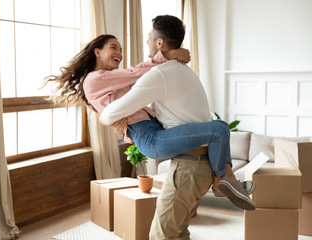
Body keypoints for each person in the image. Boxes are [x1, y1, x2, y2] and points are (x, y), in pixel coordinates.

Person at [43, 30, 254, 210]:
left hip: (153, 131)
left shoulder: (111, 82)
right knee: (218, 131)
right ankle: (222, 183)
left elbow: (138, 101)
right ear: (97, 52)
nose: (119, 53)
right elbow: (136, 73)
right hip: (150, 138)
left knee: (220, 126)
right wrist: (168, 55)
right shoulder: (96, 78)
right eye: (113, 48)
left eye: (121, 49)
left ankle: (226, 181)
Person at [99, 15, 256, 239]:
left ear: (159, 43)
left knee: (161, 236)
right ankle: (224, 179)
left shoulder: (159, 75)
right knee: (179, 231)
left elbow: (107, 115)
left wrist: (118, 122)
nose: (147, 42)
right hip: (204, 166)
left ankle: (225, 181)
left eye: (149, 37)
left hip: (189, 167)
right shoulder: (185, 71)